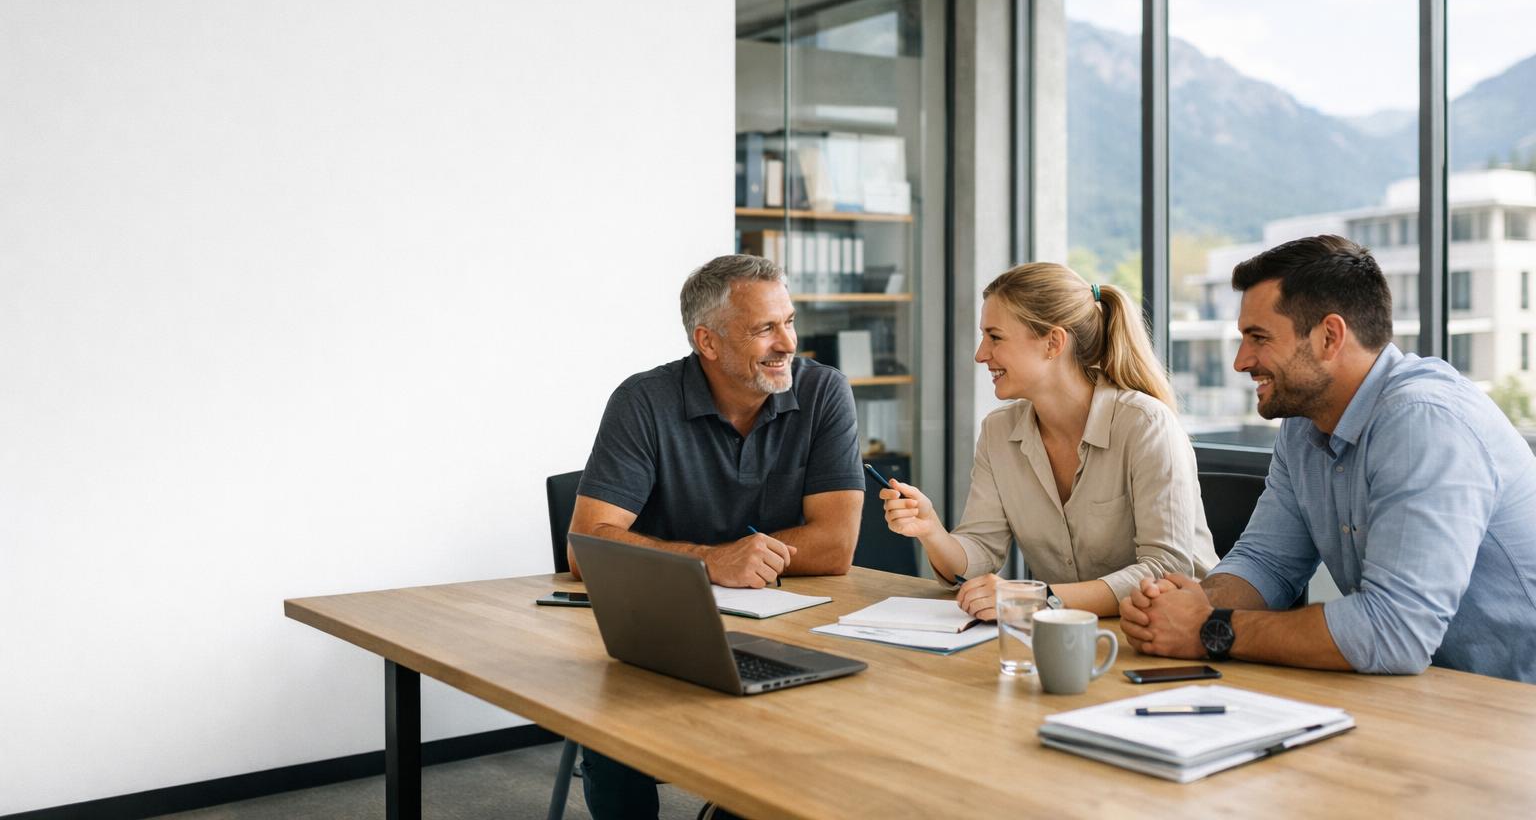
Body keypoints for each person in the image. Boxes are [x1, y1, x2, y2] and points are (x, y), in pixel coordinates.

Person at [1119, 235, 1536, 683]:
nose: (1241, 361)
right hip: (1434, 691)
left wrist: (1209, 629)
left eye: (1258, 338)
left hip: (1514, 706)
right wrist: (1195, 602)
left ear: (1329, 336)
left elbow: (1393, 632)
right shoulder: (1304, 423)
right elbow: (1267, 562)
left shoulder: (1422, 421)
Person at [567, 253, 865, 819]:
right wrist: (711, 560)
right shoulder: (644, 401)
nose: (787, 342)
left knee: (825, 727)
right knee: (612, 726)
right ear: (708, 341)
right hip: (664, 629)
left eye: (789, 321)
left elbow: (835, 546)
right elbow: (589, 544)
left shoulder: (825, 393)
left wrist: (746, 560)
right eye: (764, 329)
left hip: (791, 625)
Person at [880, 262, 1216, 621]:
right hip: (1069, 636)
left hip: (1175, 632)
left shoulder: (1146, 424)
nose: (980, 354)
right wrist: (931, 530)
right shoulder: (998, 432)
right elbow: (980, 552)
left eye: (995, 337)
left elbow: (1165, 569)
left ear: (1053, 342)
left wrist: (1040, 599)